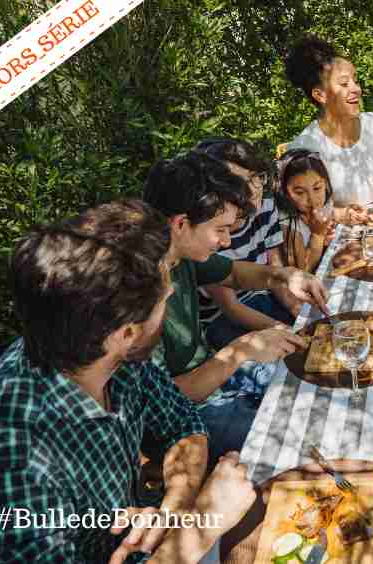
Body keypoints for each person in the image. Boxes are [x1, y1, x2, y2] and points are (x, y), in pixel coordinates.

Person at [0, 200, 256, 563]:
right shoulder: (15, 465)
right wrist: (203, 524)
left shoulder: (105, 351)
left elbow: (184, 427)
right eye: (165, 294)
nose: (172, 293)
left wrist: (172, 514)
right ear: (127, 333)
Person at [143, 151, 328, 463]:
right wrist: (240, 351)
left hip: (218, 379)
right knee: (297, 444)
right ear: (181, 224)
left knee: (318, 383)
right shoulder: (139, 290)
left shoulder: (182, 253)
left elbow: (235, 272)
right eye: (220, 229)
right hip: (186, 418)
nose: (227, 242)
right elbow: (168, 399)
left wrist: (283, 276)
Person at [193, 138, 302, 350]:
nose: (254, 189)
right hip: (223, 321)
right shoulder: (210, 229)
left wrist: (296, 309)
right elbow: (231, 308)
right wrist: (286, 332)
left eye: (255, 177)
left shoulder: (266, 205)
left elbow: (275, 269)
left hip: (265, 295)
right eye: (240, 183)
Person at [284, 34, 373, 218]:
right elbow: (302, 212)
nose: (356, 89)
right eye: (344, 84)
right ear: (320, 95)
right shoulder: (305, 148)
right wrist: (343, 215)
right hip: (339, 241)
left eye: (355, 80)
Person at [275, 148, 336, 273]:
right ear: (284, 193)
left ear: (325, 183)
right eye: (300, 192)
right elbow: (302, 271)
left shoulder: (323, 204)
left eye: (317, 188)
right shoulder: (286, 224)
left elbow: (334, 214)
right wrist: (318, 235)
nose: (312, 199)